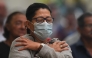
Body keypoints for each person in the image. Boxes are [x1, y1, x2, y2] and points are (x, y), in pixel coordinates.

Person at [9, 3, 73, 58]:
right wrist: (49, 50)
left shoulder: (60, 44)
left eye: (48, 20)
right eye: (39, 20)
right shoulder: (22, 43)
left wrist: (39, 47)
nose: (45, 24)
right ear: (28, 24)